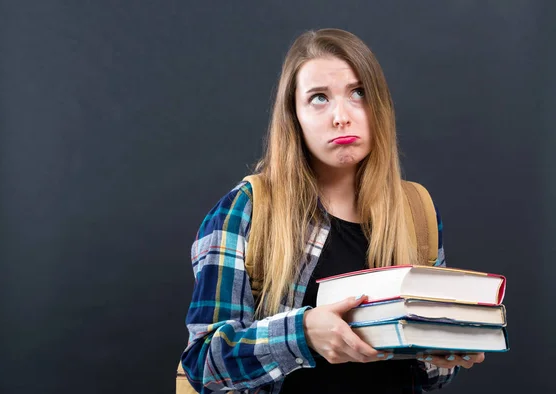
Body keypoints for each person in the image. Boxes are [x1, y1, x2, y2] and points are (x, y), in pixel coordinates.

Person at [179, 28, 484, 394]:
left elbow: (428, 377)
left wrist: (449, 346)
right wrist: (302, 335)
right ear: (294, 116)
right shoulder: (244, 210)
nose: (341, 116)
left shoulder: (415, 211)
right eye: (319, 98)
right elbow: (202, 366)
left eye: (358, 93)